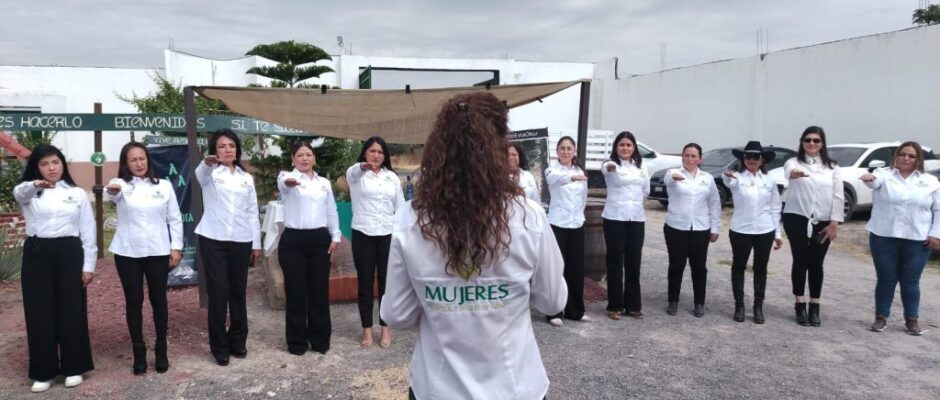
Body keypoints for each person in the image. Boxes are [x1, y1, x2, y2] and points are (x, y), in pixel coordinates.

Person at [380, 91, 567, 400]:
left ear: (439, 148)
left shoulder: (409, 218)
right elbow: (552, 302)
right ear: (499, 147)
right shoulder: (528, 216)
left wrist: (442, 306)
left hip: (437, 389)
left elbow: (397, 314)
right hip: (516, 387)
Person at [14, 144, 96, 392]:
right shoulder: (28, 191)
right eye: (45, 163)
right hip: (37, 254)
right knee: (39, 312)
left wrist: (88, 266)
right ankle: (43, 371)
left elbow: (88, 230)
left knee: (71, 309)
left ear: (62, 164)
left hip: (69, 252)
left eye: (56, 162)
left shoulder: (76, 193)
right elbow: (20, 193)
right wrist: (35, 185)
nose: (51, 168)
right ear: (36, 167)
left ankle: (74, 367)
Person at [105, 142, 183, 374]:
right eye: (133, 160)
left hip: (158, 251)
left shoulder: (165, 186)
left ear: (148, 160)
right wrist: (113, 189)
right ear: (125, 164)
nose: (139, 164)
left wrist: (176, 247)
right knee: (134, 301)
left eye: (142, 158)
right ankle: (138, 351)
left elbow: (175, 219)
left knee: (159, 300)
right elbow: (112, 191)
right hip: (128, 252)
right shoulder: (121, 186)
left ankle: (161, 349)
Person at [194, 129, 261, 365]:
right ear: (214, 150)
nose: (227, 150)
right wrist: (206, 163)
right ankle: (219, 346)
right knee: (219, 291)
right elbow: (200, 175)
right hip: (213, 239)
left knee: (237, 291)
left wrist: (256, 243)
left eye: (231, 146)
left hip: (241, 240)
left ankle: (238, 341)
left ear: (237, 150)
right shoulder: (210, 172)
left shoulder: (246, 177)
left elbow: (252, 211)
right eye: (222, 146)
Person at [860, 142, 940, 335]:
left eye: (911, 156)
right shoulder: (884, 174)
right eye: (902, 154)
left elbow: (938, 209)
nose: (906, 158)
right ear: (895, 156)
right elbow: (873, 181)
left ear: (918, 159)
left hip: (917, 239)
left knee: (911, 281)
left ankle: (911, 319)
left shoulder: (930, 181)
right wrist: (869, 178)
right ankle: (881, 317)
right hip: (884, 237)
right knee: (886, 279)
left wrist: (936, 233)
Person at [278, 141, 341, 355]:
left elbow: (331, 210)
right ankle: (297, 343)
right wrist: (290, 182)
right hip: (293, 241)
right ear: (293, 159)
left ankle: (321, 340)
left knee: (319, 293)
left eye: (308, 155)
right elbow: (284, 183)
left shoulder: (324, 183)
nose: (304, 158)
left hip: (319, 240)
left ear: (314, 158)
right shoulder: (287, 177)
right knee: (296, 293)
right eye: (300, 155)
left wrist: (335, 236)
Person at [782, 126, 843, 327]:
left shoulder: (832, 167)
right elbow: (789, 173)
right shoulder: (793, 162)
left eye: (816, 140)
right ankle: (800, 303)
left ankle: (814, 305)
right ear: (801, 142)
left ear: (822, 144)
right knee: (800, 260)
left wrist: (834, 222)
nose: (811, 143)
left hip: (823, 221)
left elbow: (838, 195)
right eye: (807, 140)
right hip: (796, 218)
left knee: (816, 263)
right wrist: (795, 174)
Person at [346, 137, 403, 349]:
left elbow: (400, 207)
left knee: (387, 284)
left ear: (385, 155)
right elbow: (353, 171)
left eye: (380, 152)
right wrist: (363, 166)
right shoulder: (356, 174)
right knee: (365, 283)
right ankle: (367, 330)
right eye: (371, 151)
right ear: (365, 153)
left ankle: (385, 328)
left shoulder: (392, 178)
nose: (376, 155)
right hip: (363, 233)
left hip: (387, 234)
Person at [722, 141, 783, 324]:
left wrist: (778, 234)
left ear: (762, 159)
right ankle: (739, 305)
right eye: (748, 156)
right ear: (743, 159)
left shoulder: (770, 180)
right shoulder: (737, 178)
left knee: (760, 269)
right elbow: (728, 181)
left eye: (756, 156)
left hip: (765, 230)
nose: (752, 160)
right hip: (741, 230)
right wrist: (728, 176)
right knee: (739, 266)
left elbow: (775, 208)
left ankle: (758, 307)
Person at [664, 143, 721, 318]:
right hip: (676, 227)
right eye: (686, 155)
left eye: (693, 156)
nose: (689, 159)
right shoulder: (673, 173)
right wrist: (675, 177)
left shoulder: (707, 178)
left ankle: (699, 302)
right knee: (676, 265)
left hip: (700, 228)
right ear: (682, 157)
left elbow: (714, 203)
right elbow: (668, 180)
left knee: (699, 267)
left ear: (699, 159)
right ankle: (673, 300)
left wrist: (715, 227)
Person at [601, 131, 649, 320]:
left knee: (633, 262)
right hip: (614, 218)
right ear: (616, 147)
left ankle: (633, 306)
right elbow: (607, 168)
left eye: (629, 145)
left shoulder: (641, 167)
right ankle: (615, 305)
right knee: (615, 262)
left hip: (636, 219)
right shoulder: (609, 164)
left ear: (634, 147)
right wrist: (612, 166)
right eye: (622, 145)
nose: (625, 148)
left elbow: (646, 190)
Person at [544, 135, 590, 326]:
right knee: (556, 269)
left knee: (576, 269)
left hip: (576, 224)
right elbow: (556, 180)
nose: (565, 151)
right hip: (557, 224)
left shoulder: (580, 170)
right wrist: (572, 177)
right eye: (562, 148)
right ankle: (553, 311)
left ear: (574, 151)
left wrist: (579, 215)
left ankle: (575, 310)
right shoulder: (551, 170)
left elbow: (583, 198)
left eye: (568, 148)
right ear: (557, 152)